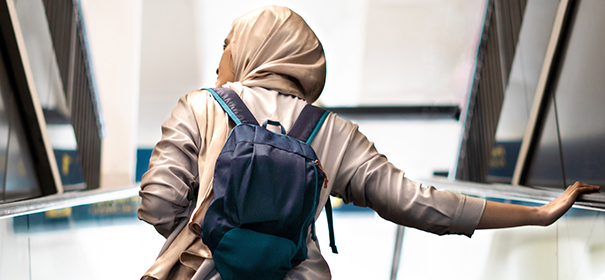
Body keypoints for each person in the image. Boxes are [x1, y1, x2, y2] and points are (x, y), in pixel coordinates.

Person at [137, 5, 600, 280]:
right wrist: (538, 215)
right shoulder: (334, 132)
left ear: (251, 49)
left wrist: (216, 236)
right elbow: (422, 205)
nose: (222, 57)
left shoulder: (200, 106)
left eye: (226, 45)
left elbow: (158, 204)